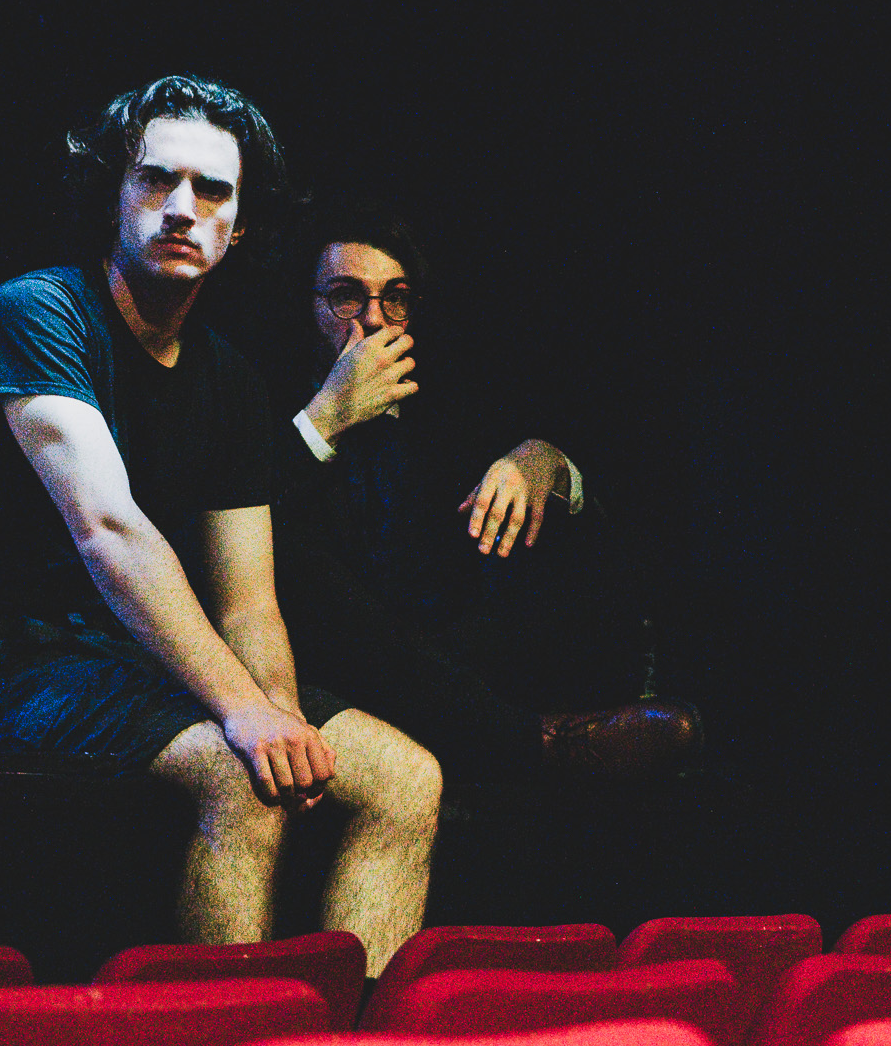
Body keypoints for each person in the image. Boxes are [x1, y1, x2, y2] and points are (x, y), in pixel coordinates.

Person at [0, 77, 441, 972]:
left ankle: (348, 1045)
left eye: (213, 190)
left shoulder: (229, 379)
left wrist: (280, 714)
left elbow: (249, 601)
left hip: (127, 662)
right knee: (240, 775)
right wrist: (245, 715)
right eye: (157, 179)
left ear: (239, 226)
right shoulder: (35, 313)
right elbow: (109, 529)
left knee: (406, 779)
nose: (183, 208)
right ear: (115, 192)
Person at [241, 196, 701, 786]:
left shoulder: (447, 399)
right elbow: (237, 521)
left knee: (559, 526)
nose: (374, 320)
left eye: (395, 298)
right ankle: (538, 746)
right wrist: (328, 416)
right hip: (336, 655)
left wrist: (542, 460)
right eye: (346, 296)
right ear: (307, 306)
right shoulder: (263, 398)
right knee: (298, 564)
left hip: (446, 644)